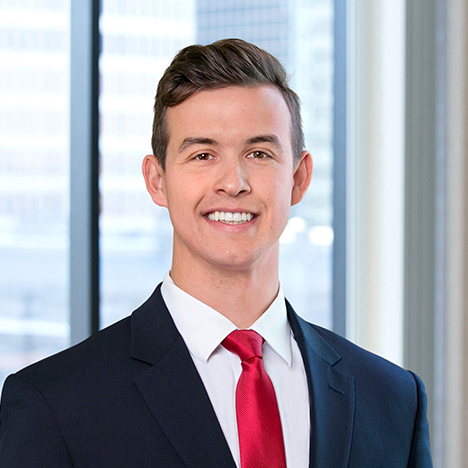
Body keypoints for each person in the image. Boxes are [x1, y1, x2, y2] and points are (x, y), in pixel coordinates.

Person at [0, 39, 432, 468]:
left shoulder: (393, 399)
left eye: (259, 153)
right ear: (157, 181)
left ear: (299, 178)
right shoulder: (54, 404)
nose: (233, 182)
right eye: (203, 154)